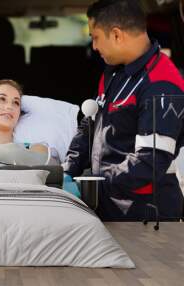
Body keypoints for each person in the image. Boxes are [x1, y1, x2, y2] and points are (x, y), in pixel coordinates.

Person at [63, 0, 184, 221]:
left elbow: (150, 162)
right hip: (108, 207)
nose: (94, 47)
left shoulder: (162, 84)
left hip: (145, 216)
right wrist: (68, 169)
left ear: (117, 35)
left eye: (95, 37)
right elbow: (90, 123)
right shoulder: (114, 72)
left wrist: (91, 183)